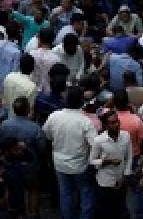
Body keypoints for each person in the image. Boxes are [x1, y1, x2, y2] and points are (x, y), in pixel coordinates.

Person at [42, 86, 97, 219]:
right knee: (85, 194)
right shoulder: (86, 122)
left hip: (60, 164)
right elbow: (95, 144)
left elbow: (46, 134)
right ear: (81, 101)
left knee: (65, 194)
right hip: (80, 166)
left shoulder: (54, 117)